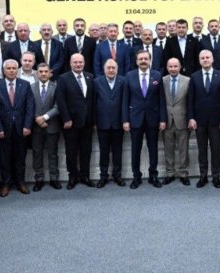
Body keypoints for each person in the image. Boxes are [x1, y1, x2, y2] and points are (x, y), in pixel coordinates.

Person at [124, 50, 167, 189]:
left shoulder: (157, 75)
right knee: (135, 149)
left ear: (150, 60)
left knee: (153, 148)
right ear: (136, 61)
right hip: (135, 119)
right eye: (140, 59)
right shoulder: (129, 76)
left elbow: (161, 99)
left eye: (146, 59)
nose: (143, 61)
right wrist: (125, 120)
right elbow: (125, 100)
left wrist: (163, 119)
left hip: (153, 119)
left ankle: (153, 175)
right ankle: (136, 176)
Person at [0, 59, 35, 196]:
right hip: (4, 130)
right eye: (8, 68)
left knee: (20, 157)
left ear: (17, 70)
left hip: (21, 129)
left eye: (14, 68)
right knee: (4, 158)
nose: (11, 71)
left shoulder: (25, 85)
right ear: (4, 70)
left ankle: (20, 182)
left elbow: (30, 107)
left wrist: (27, 125)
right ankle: (6, 183)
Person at [189, 50, 220, 188]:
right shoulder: (194, 76)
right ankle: (203, 176)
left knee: (215, 150)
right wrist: (191, 118)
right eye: (202, 58)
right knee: (202, 150)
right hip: (199, 121)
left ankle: (216, 176)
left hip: (216, 121)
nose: (205, 60)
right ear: (199, 60)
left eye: (207, 57)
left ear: (212, 59)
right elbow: (190, 100)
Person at [56, 53, 95, 188]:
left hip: (87, 122)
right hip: (71, 123)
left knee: (86, 151)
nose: (78, 64)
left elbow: (92, 99)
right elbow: (61, 101)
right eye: (75, 62)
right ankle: (72, 176)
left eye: (80, 62)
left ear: (84, 63)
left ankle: (85, 176)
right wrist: (66, 119)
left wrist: (93, 119)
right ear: (70, 63)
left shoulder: (90, 77)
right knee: (71, 151)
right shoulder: (63, 78)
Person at [94, 59, 128, 187]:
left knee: (117, 151)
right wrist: (94, 121)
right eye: (108, 68)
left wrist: (125, 120)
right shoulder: (97, 82)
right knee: (103, 151)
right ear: (104, 69)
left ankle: (117, 175)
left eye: (113, 68)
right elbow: (94, 102)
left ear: (117, 69)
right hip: (102, 123)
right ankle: (103, 176)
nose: (111, 70)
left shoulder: (123, 81)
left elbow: (125, 102)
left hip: (118, 123)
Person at [30, 63, 62, 190]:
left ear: (50, 73)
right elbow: (29, 106)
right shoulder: (31, 87)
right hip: (36, 127)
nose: (43, 74)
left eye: (45, 71)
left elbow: (58, 106)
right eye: (41, 71)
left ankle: (54, 178)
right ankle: (39, 179)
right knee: (37, 153)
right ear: (37, 73)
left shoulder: (56, 87)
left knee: (53, 153)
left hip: (52, 125)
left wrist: (44, 117)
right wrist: (37, 119)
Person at [162, 58, 191, 185]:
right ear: (167, 68)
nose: (173, 69)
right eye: (170, 66)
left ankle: (183, 173)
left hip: (182, 120)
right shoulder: (162, 81)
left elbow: (190, 101)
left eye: (175, 66)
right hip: (167, 121)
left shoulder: (188, 80)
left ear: (180, 67)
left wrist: (190, 118)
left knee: (183, 149)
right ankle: (170, 173)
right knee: (168, 149)